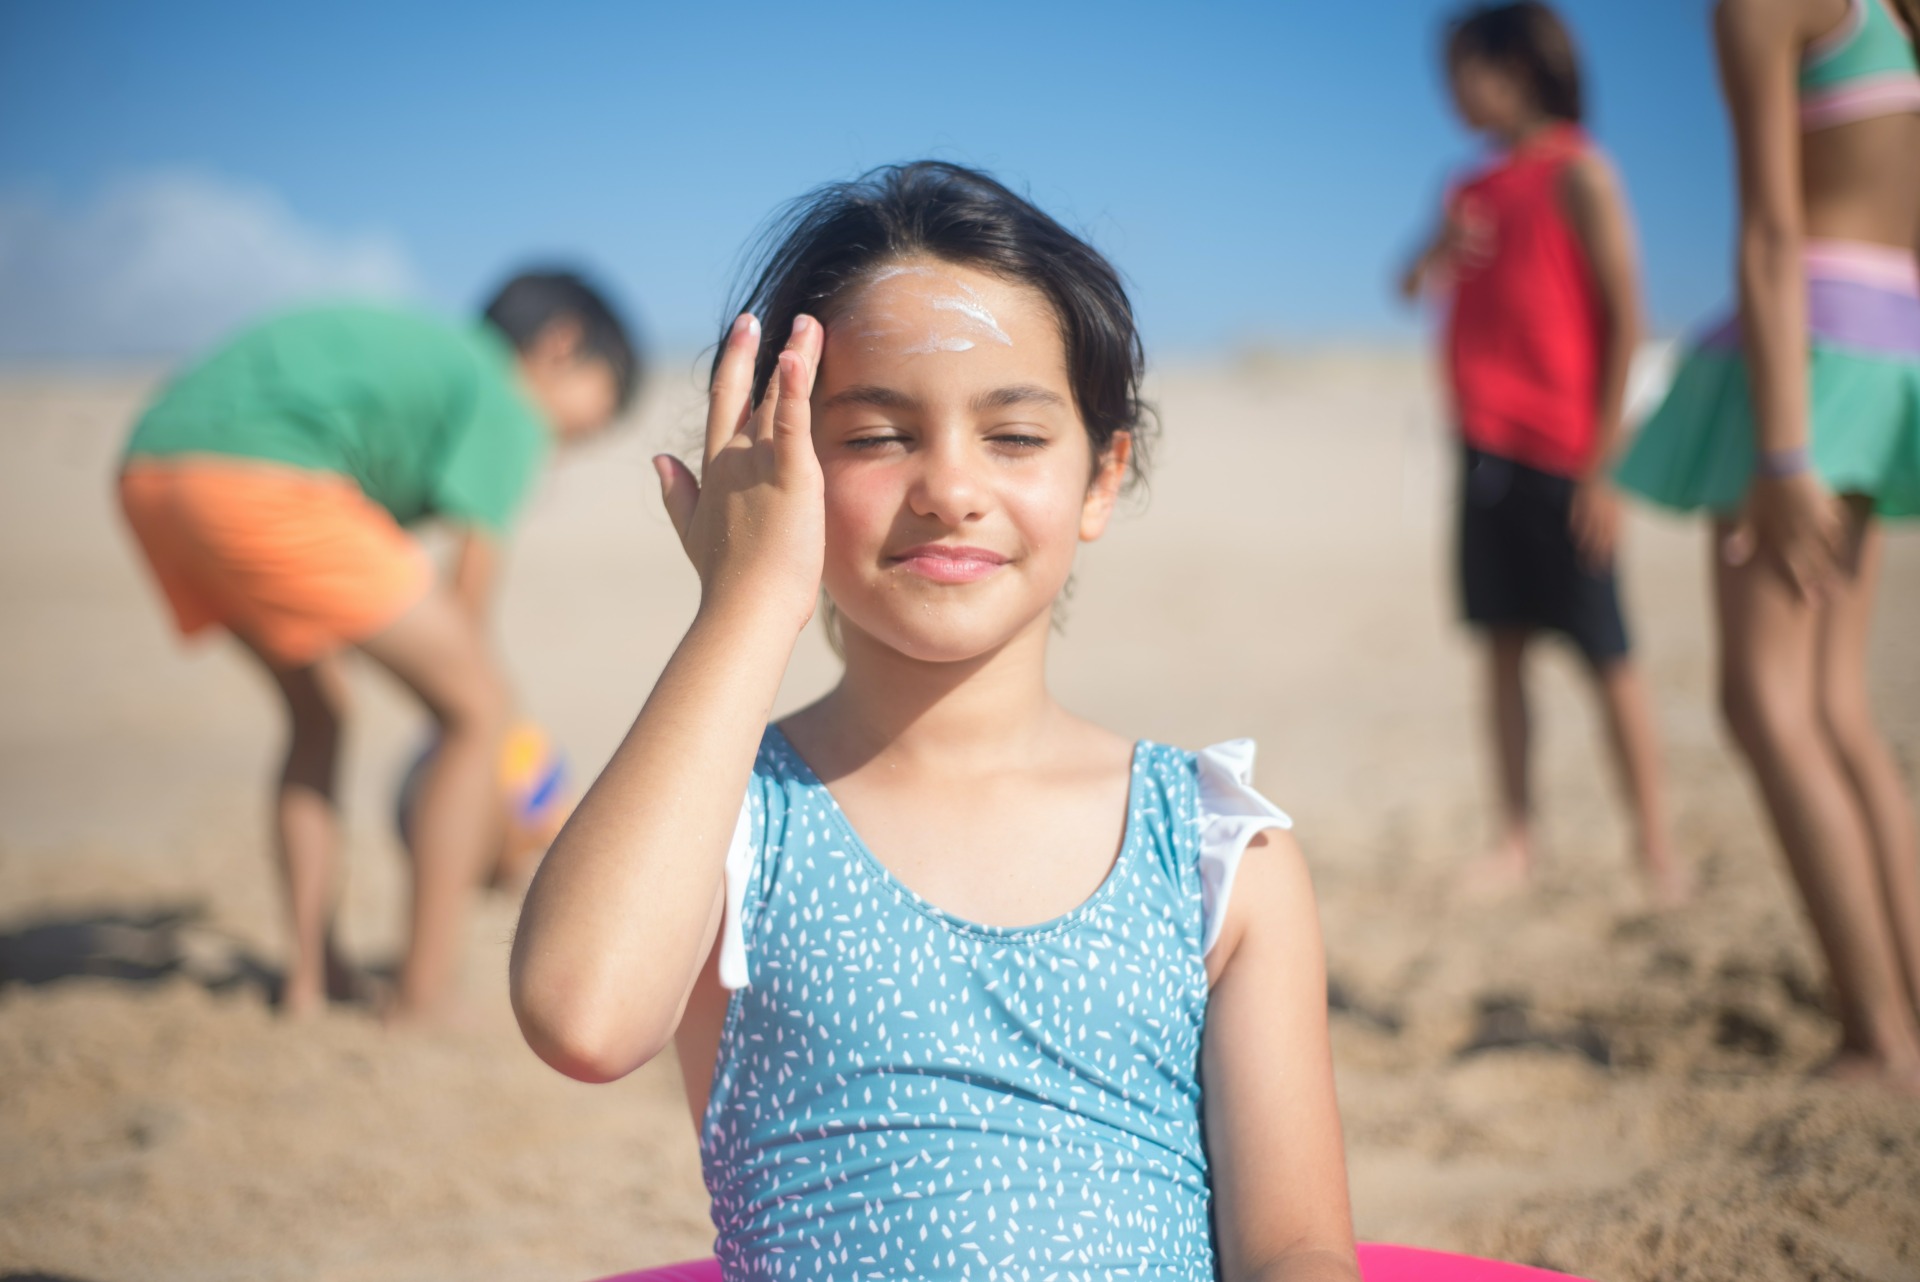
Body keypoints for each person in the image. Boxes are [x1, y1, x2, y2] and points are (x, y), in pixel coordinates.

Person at [510, 162, 1359, 1280]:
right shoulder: (729, 818)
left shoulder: (1211, 849)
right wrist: (748, 602)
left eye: (1013, 437)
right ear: (783, 462)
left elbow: (1294, 1243)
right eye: (874, 436)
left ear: (1103, 475)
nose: (950, 487)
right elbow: (582, 1014)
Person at [118, 271, 640, 1023]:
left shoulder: (429, 367)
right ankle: (423, 996)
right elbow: (467, 620)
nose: (564, 449)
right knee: (479, 708)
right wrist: (499, 812)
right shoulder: (505, 395)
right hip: (264, 476)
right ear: (559, 348)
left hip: (155, 470)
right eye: (589, 420)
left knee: (320, 712)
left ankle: (311, 979)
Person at [1616, 0, 1920, 1094]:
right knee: (1837, 706)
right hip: (1891, 345)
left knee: (1765, 703)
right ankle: (1907, 1008)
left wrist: (1784, 454)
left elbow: (1771, 230)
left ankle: (1880, 1036)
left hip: (1810, 361)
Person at [1400, 2, 1685, 906]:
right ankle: (1516, 840)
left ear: (1516, 69)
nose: (1452, 93)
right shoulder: (1466, 190)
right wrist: (1436, 247)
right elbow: (1407, 285)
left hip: (1564, 453)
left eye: (1464, 73)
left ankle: (1656, 847)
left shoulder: (1581, 174)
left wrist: (1607, 467)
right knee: (1502, 647)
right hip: (1480, 453)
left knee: (1608, 652)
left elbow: (1627, 320)